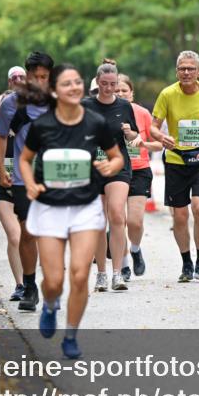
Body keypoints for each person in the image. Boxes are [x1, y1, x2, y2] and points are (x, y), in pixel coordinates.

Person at [18, 64, 124, 359]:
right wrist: (30, 184)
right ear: (54, 91)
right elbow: (25, 160)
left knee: (79, 276)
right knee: (53, 281)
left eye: (78, 82)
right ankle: (50, 304)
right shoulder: (43, 125)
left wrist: (110, 166)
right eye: (67, 83)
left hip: (85, 208)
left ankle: (71, 336)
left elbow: (116, 157)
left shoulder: (95, 122)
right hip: (49, 208)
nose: (75, 87)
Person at [150, 51, 199, 283]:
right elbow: (153, 126)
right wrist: (161, 137)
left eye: (191, 68)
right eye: (182, 69)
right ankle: (186, 263)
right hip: (176, 160)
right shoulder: (167, 94)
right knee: (180, 216)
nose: (186, 72)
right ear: (176, 71)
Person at [0, 52, 54, 311]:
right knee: (28, 233)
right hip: (22, 178)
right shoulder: (11, 104)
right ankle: (29, 286)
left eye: (44, 77)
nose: (39, 81)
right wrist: (0, 168)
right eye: (35, 77)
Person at [82, 59, 139, 292]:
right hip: (93, 167)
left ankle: (118, 273)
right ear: (97, 82)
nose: (108, 88)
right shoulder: (85, 105)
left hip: (118, 164)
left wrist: (129, 132)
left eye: (112, 84)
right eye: (104, 83)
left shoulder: (124, 106)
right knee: (98, 220)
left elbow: (134, 135)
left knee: (117, 214)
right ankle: (101, 274)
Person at [0, 67, 27, 300]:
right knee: (14, 236)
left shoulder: (30, 127)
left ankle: (29, 280)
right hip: (4, 187)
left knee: (28, 238)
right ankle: (20, 285)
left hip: (26, 186)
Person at [115, 73, 162, 279]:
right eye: (116, 90)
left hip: (139, 170)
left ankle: (135, 249)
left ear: (131, 93)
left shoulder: (142, 113)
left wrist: (140, 142)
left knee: (135, 221)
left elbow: (158, 144)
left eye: (124, 90)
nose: (120, 93)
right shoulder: (105, 112)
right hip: (115, 170)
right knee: (118, 221)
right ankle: (123, 264)